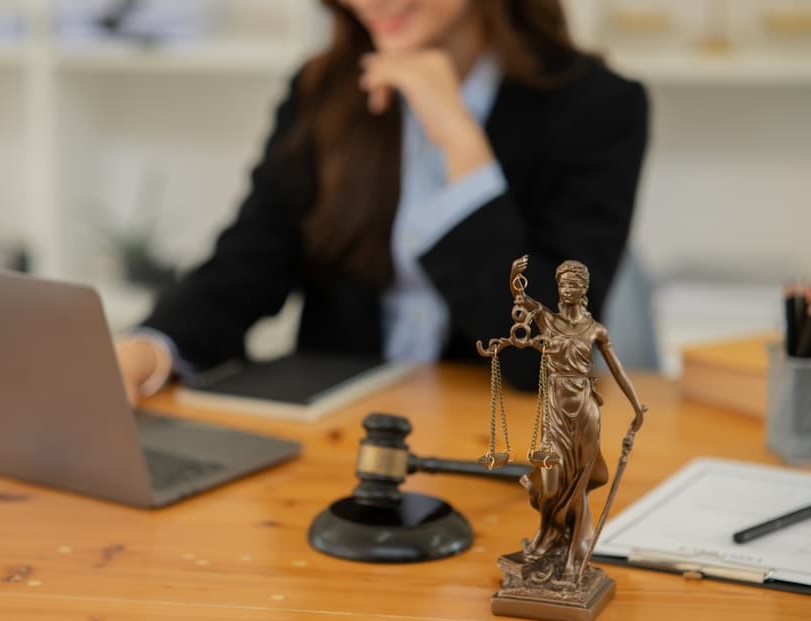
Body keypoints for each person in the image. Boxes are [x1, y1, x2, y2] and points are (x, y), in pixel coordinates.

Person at [116, 0, 649, 403]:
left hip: (500, 448)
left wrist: (460, 142)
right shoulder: (323, 88)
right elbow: (246, 264)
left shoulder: (598, 107)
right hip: (341, 444)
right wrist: (150, 348)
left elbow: (550, 360)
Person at [507, 255, 645, 581]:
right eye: (564, 283)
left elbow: (617, 370)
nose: (568, 289)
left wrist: (637, 408)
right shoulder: (547, 320)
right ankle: (547, 535)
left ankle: (572, 555)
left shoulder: (595, 330)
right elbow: (521, 299)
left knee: (578, 486)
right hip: (555, 408)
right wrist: (516, 276)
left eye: (575, 284)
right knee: (552, 485)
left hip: (584, 410)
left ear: (584, 289)